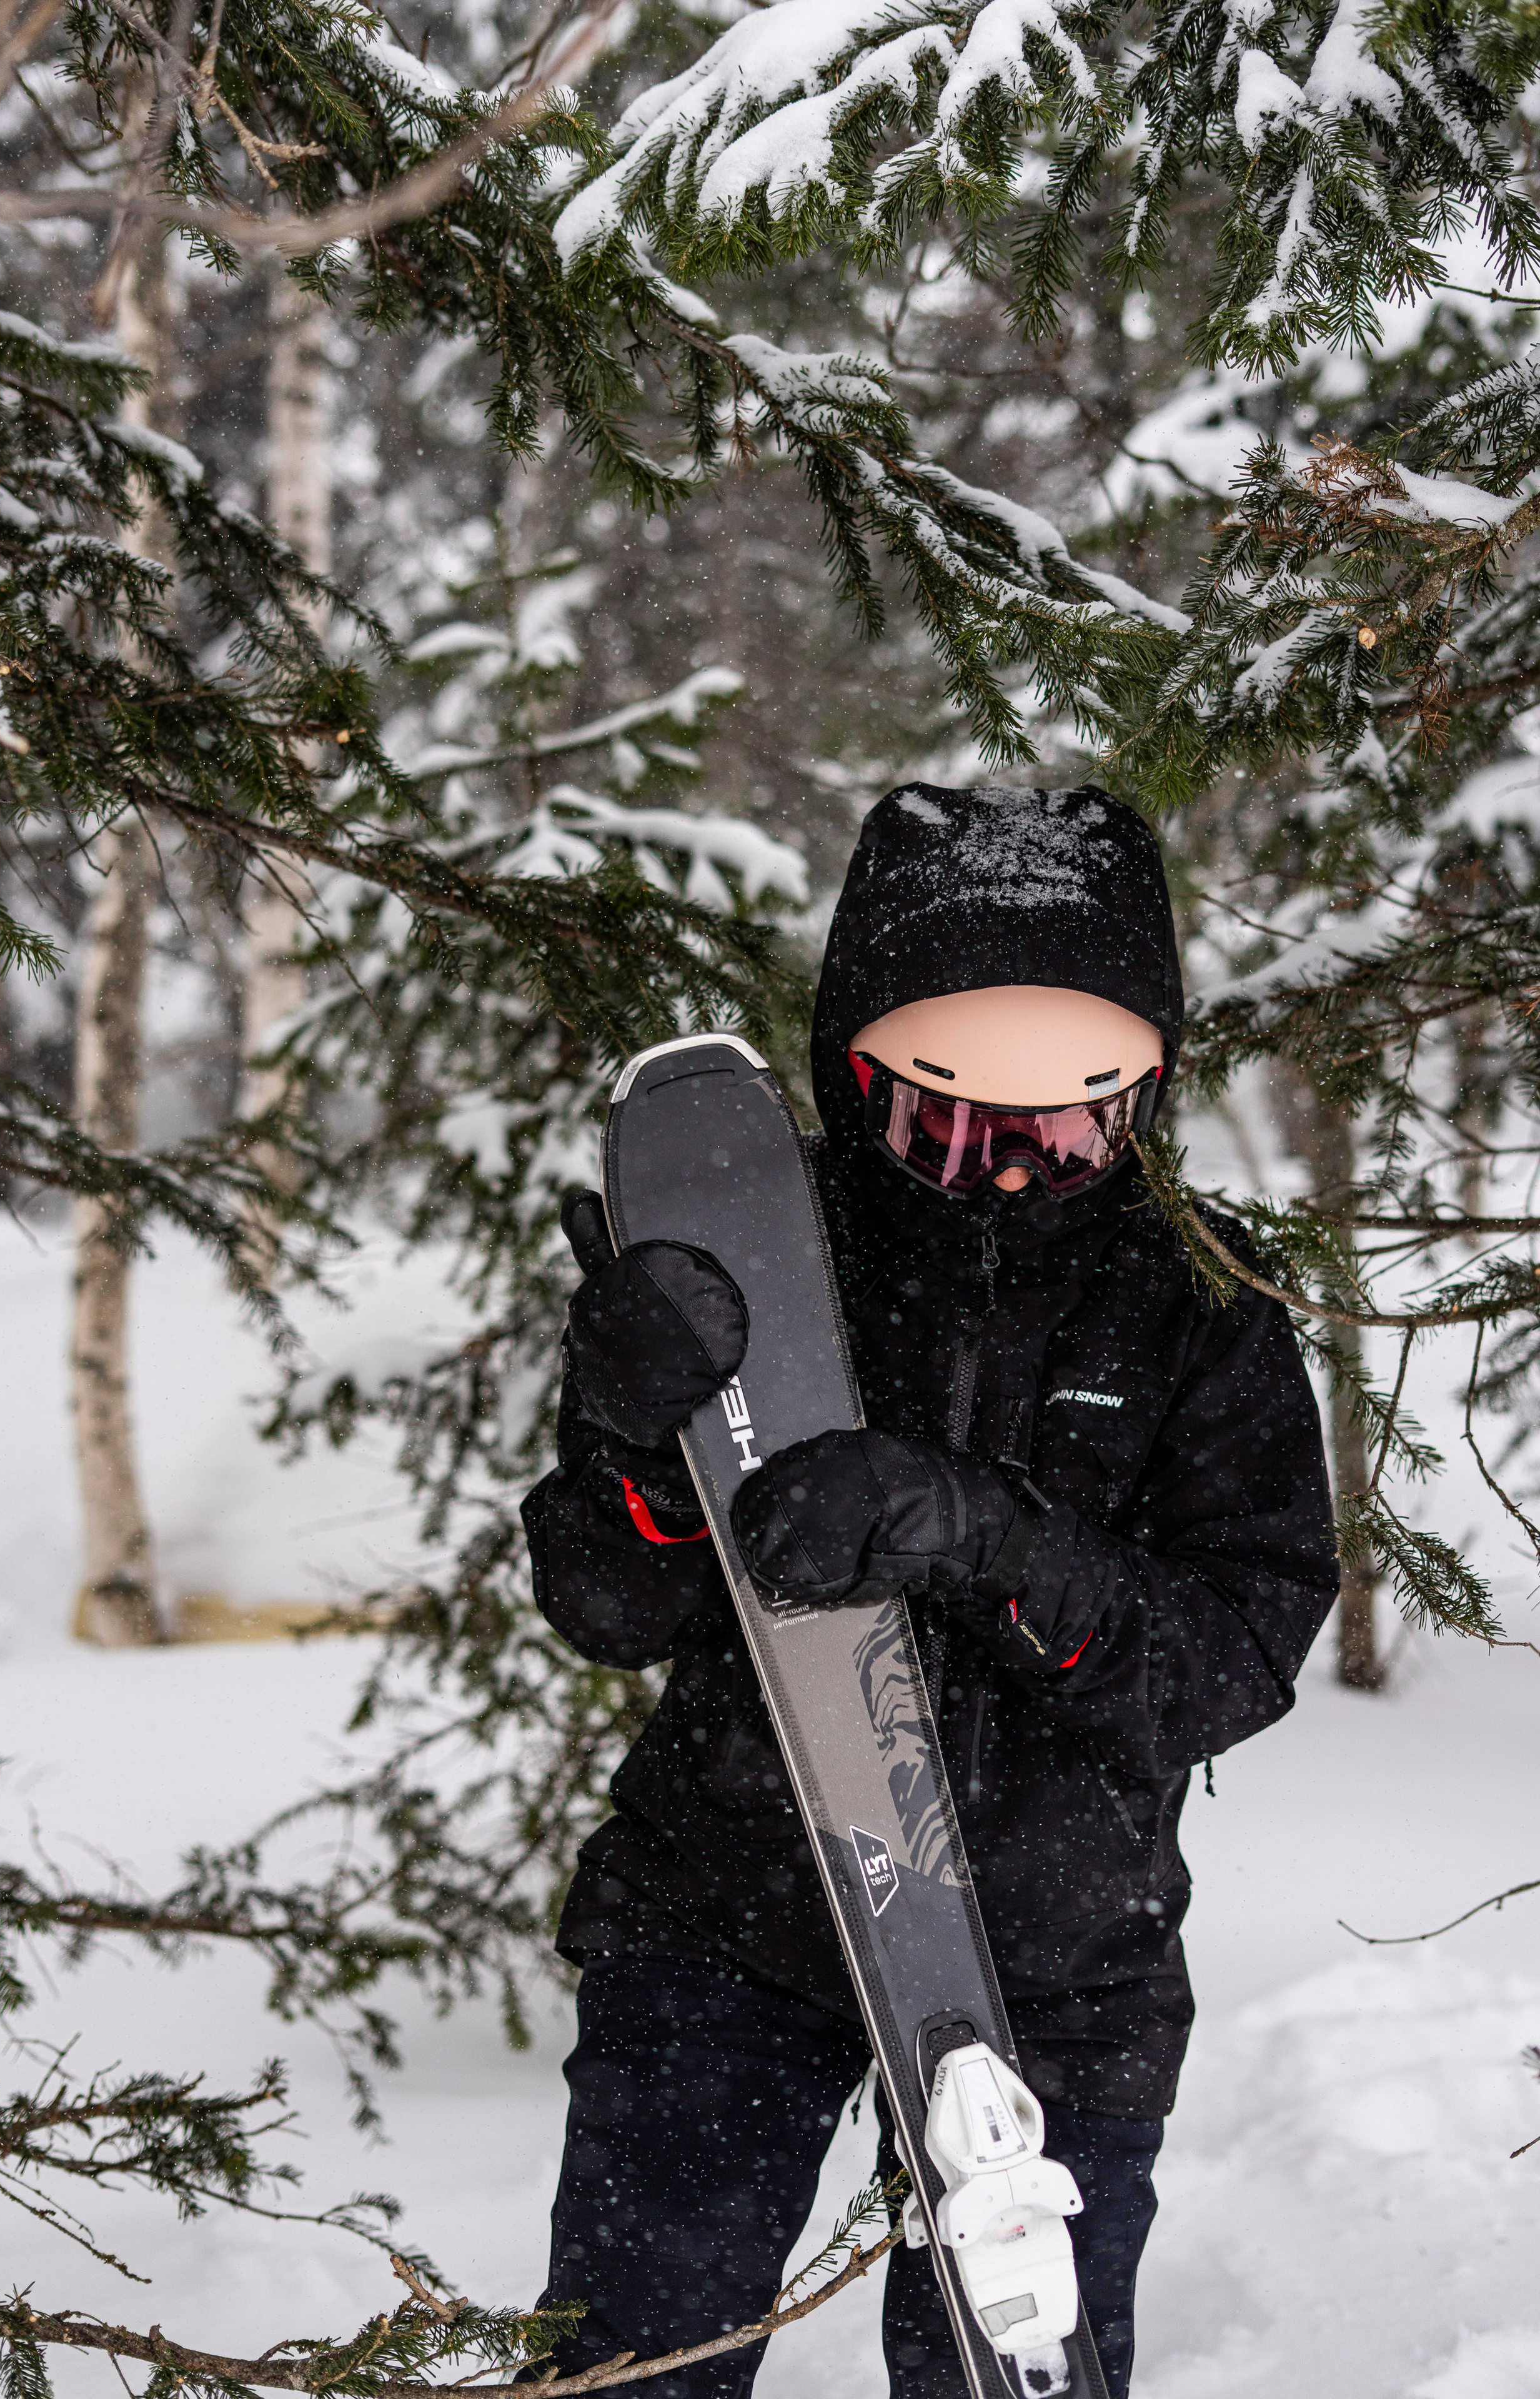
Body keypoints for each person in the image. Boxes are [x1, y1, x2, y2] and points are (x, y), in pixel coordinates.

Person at [520, 783, 1339, 2399]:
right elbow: (605, 1603)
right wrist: (638, 1441)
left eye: (1066, 1130)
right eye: (952, 1127)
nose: (1011, 1181)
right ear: (857, 1076)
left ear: (1147, 1098)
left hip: (1062, 1968)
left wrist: (984, 1534)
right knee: (634, 2369)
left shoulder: (1201, 1307)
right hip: (728, 1918)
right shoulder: (749, 1248)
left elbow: (1229, 1660)